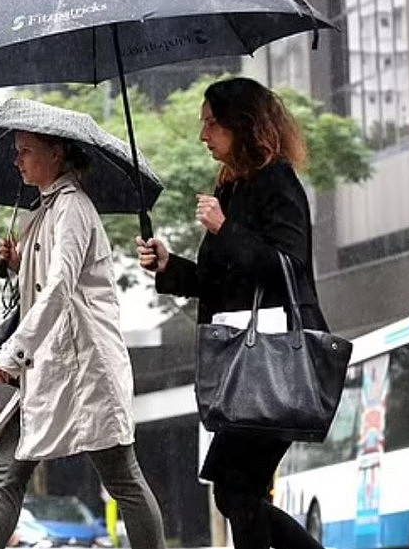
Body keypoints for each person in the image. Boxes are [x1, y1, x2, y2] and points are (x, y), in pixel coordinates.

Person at [136, 77, 328, 549]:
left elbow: (290, 265)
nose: (204, 136)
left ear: (241, 125)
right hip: (242, 366)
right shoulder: (232, 187)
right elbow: (216, 282)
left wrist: (226, 229)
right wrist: (169, 266)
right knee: (233, 490)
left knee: (237, 489)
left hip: (273, 361)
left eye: (212, 124)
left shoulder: (277, 182)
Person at [0, 129, 166, 549]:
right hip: (48, 368)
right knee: (5, 475)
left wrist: (14, 352)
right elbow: (43, 285)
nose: (17, 161)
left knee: (122, 477)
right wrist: (18, 265)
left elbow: (60, 286)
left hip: (83, 368)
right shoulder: (43, 211)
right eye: (16, 152)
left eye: (26, 151)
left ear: (56, 154)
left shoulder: (73, 207)